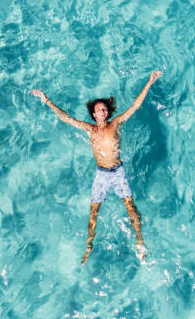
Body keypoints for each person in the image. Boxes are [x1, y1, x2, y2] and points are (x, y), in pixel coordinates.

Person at [31, 70, 163, 265]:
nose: (102, 111)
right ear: (93, 114)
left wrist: (150, 82)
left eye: (104, 109)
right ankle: (89, 245)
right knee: (94, 211)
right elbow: (65, 118)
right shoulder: (89, 129)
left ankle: (140, 240)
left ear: (107, 112)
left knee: (130, 207)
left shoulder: (116, 123)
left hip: (118, 172)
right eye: (99, 110)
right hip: (101, 174)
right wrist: (45, 99)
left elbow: (135, 106)